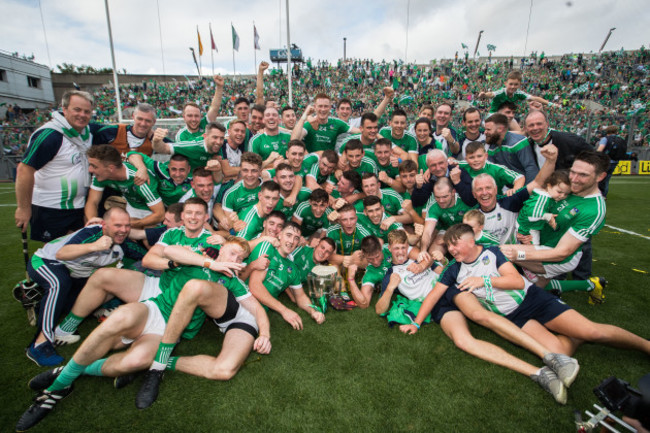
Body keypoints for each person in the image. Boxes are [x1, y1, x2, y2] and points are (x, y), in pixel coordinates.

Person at [15, 199, 244, 431]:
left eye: (199, 214)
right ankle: (60, 370)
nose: (193, 217)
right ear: (182, 216)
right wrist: (177, 261)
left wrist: (224, 239)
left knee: (134, 359)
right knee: (111, 298)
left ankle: (69, 371)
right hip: (159, 290)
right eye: (189, 213)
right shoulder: (171, 234)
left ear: (206, 218)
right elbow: (149, 259)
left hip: (177, 309)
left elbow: (237, 251)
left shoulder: (214, 241)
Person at [400, 224, 581, 405]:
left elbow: (433, 268)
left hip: (459, 289)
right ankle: (540, 373)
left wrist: (416, 321)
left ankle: (551, 355)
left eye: (402, 247)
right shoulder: (387, 271)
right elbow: (430, 295)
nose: (399, 252)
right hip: (448, 298)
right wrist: (415, 322)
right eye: (393, 249)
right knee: (463, 341)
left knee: (480, 315)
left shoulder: (436, 259)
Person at [134, 236, 271, 409]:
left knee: (224, 370)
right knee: (195, 287)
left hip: (242, 321)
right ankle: (157, 365)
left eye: (240, 259)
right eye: (232, 253)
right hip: (218, 314)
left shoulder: (233, 280)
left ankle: (157, 362)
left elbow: (258, 310)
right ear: (221, 249)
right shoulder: (200, 259)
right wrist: (208, 261)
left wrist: (265, 335)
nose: (234, 260)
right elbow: (168, 251)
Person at [25, 207, 143, 366]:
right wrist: (95, 246)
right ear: (104, 225)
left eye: (127, 225)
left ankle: (37, 298)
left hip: (74, 275)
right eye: (117, 225)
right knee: (59, 283)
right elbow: (62, 253)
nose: (123, 230)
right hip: (46, 261)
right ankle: (39, 344)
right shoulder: (93, 232)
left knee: (85, 302)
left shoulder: (124, 245)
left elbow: (147, 257)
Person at [499, 151, 609, 303]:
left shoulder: (594, 210)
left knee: (500, 252)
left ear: (600, 177)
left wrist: (519, 254)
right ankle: (590, 285)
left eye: (583, 175)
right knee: (534, 289)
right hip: (540, 244)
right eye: (573, 172)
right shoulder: (569, 186)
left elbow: (562, 252)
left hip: (555, 257)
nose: (574, 180)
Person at [15, 90, 100, 242]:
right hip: (51, 208)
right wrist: (23, 207)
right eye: (77, 109)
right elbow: (24, 169)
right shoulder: (50, 135)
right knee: (55, 255)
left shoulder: (87, 132)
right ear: (65, 109)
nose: (82, 115)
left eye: (87, 111)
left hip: (78, 206)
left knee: (78, 253)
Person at [248, 223, 326, 329]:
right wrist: (284, 310)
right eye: (288, 235)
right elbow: (254, 286)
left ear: (298, 242)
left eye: (296, 238)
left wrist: (313, 311)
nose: (291, 241)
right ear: (279, 235)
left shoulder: (293, 268)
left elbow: (300, 296)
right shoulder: (268, 248)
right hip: (242, 299)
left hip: (257, 313)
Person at [85, 145, 164, 229]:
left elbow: (160, 215)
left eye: (94, 166)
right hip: (131, 206)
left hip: (150, 210)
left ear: (111, 168)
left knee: (144, 237)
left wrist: (130, 224)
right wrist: (93, 223)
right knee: (90, 221)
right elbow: (92, 202)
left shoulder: (139, 179)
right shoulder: (100, 176)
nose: (90, 170)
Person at [517, 170, 571, 245]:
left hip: (529, 227)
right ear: (549, 186)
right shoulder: (543, 197)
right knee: (533, 251)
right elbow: (532, 212)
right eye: (559, 192)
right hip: (527, 228)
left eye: (566, 194)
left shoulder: (548, 196)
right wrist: (548, 216)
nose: (562, 196)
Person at [291, 94, 360, 152]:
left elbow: (359, 132)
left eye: (326, 106)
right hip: (312, 165)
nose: (323, 109)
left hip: (330, 165)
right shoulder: (309, 124)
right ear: (315, 107)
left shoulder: (337, 123)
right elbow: (293, 141)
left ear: (330, 107)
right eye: (320, 106)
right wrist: (305, 115)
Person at [484, 113, 538, 183]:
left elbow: (531, 168)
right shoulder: (492, 147)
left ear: (500, 129)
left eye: (488, 129)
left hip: (524, 187)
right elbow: (491, 171)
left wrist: (526, 191)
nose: (485, 132)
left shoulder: (518, 143)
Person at [93, 103, 160, 158]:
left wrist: (154, 137)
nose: (143, 124)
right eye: (140, 119)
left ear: (154, 122)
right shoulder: (114, 131)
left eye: (148, 121)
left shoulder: (154, 139)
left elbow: (169, 147)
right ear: (133, 117)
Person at [458, 140, 525, 195]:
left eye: (479, 156)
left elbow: (519, 178)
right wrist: (451, 160)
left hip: (495, 203)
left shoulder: (496, 169)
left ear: (486, 156)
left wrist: (514, 190)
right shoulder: (463, 165)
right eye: (471, 157)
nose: (476, 160)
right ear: (466, 159)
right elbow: (450, 161)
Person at [479, 70, 555, 114]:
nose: (513, 87)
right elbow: (492, 94)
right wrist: (484, 95)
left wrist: (551, 104)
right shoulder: (501, 92)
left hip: (507, 116)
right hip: (494, 115)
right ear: (505, 83)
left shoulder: (519, 93)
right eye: (511, 84)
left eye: (516, 84)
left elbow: (535, 98)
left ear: (519, 85)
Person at [174, 76, 224, 141]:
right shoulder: (181, 135)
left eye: (197, 116)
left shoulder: (205, 123)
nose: (194, 119)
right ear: (184, 117)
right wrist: (202, 138)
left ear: (201, 116)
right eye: (190, 116)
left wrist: (219, 87)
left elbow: (214, 108)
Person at [596, 125, 627, 197]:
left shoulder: (605, 139)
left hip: (605, 161)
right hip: (615, 161)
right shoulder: (620, 139)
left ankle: (599, 195)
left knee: (600, 179)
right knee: (607, 179)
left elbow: (600, 150)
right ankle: (604, 195)